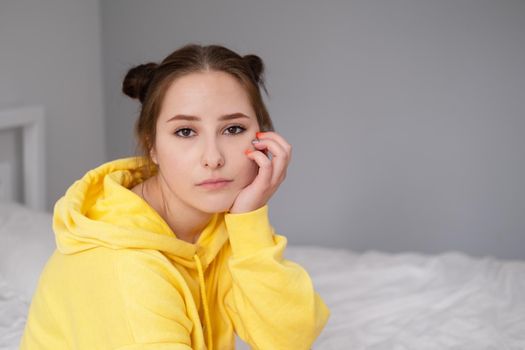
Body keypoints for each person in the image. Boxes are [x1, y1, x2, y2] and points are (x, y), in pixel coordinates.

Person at [21, 44, 329, 349]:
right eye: (185, 132)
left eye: (233, 129)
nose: (213, 158)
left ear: (262, 139)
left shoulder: (222, 224)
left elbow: (289, 339)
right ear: (151, 144)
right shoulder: (121, 265)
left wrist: (250, 221)